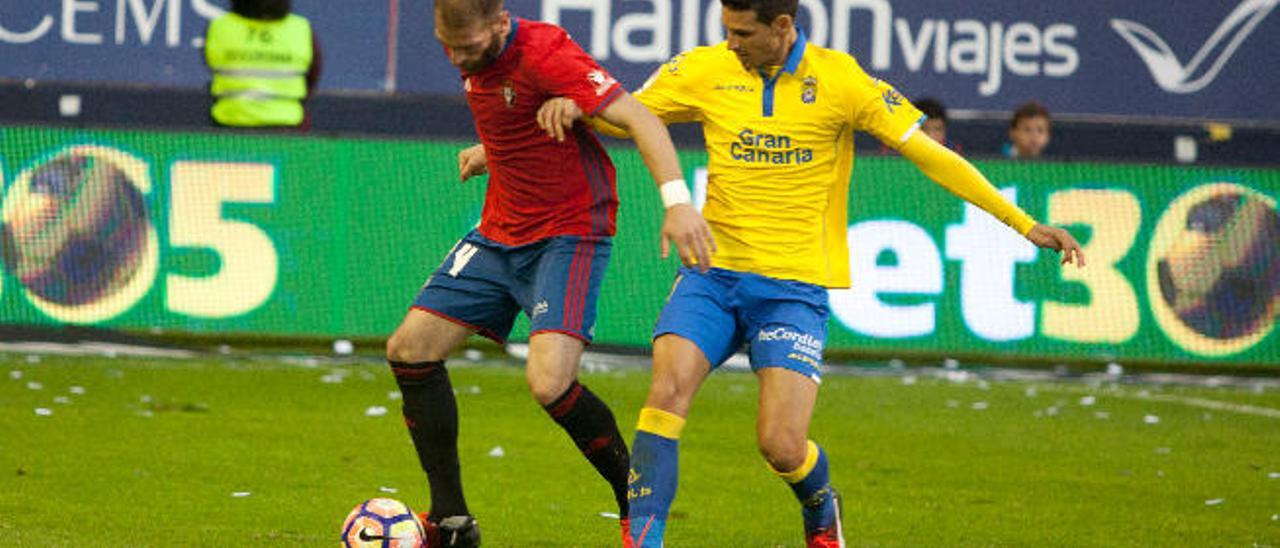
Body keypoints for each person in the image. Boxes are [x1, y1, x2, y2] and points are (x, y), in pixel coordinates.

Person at [530, 0, 1085, 545]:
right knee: (666, 392)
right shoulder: (704, 68)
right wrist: (573, 108)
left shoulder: (840, 80)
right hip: (712, 276)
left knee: (781, 445)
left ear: (783, 26)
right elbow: (628, 115)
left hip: (792, 291)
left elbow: (930, 155)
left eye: (744, 33)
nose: (731, 43)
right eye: (726, 30)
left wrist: (1024, 224)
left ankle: (820, 506)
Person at [383, 0, 714, 546]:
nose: (458, 59)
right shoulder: (478, 58)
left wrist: (677, 203)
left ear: (501, 23)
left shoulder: (545, 51)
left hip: (569, 232)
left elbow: (640, 118)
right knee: (409, 349)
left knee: (549, 383)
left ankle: (634, 499)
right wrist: (495, 150)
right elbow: (519, 110)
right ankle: (450, 521)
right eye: (448, 47)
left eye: (467, 48)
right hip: (499, 232)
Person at [204, 0, 321, 129]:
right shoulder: (300, 29)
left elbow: (210, 65)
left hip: (230, 124)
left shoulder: (220, 27)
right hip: (287, 127)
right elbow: (313, 75)